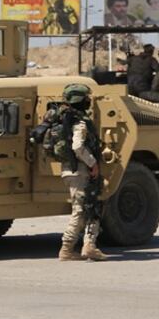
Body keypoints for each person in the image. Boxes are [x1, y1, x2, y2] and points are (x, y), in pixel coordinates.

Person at [46, 83, 109, 261]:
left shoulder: (65, 120)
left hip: (73, 171)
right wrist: (92, 163)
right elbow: (78, 146)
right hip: (80, 171)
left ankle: (90, 246)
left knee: (92, 207)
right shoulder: (79, 122)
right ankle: (66, 248)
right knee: (80, 210)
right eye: (86, 99)